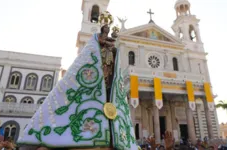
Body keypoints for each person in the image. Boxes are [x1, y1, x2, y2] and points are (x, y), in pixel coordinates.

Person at [17, 11, 138, 150]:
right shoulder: (95, 40)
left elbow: (114, 50)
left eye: (108, 29)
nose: (107, 30)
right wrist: (103, 44)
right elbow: (94, 47)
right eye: (105, 28)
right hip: (96, 68)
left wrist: (113, 48)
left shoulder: (107, 42)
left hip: (108, 63)